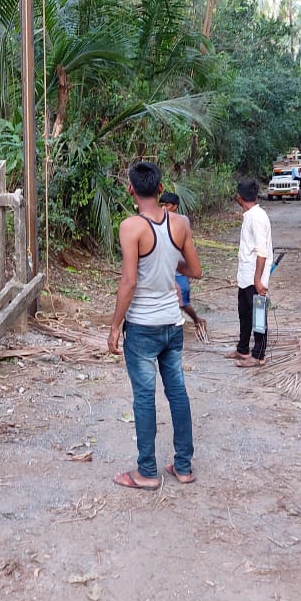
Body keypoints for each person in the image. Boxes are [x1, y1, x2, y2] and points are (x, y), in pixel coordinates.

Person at [108, 163, 202, 490]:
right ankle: (184, 466)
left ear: (131, 190)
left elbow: (129, 281)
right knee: (177, 393)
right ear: (161, 189)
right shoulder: (180, 223)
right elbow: (195, 269)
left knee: (144, 398)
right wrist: (166, 268)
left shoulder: (131, 227)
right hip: (172, 325)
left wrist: (114, 326)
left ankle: (147, 472)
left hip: (143, 327)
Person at [225, 180, 273, 367]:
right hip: (245, 276)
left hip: (255, 277)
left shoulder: (257, 217)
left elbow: (262, 251)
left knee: (258, 316)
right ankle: (243, 348)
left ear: (240, 197)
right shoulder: (250, 215)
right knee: (244, 314)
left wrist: (258, 279)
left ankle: (259, 354)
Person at [160, 191, 208, 340]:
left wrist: (188, 269)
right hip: (165, 268)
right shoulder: (159, 220)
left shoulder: (182, 220)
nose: (163, 208)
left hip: (179, 267)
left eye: (166, 205)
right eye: (161, 205)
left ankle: (196, 320)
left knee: (183, 302)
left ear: (175, 206)